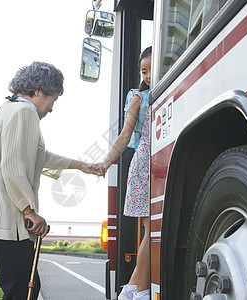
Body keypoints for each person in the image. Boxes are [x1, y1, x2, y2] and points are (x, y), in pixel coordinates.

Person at [0, 61, 103, 300]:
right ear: (40, 89)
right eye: (54, 99)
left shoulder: (6, 109)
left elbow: (39, 155)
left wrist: (81, 165)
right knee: (22, 290)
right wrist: (29, 211)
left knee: (23, 287)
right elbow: (12, 167)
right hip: (3, 222)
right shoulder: (25, 113)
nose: (52, 107)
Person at [97, 46, 152, 300]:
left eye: (153, 69)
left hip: (158, 162)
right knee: (150, 231)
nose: (148, 75)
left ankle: (130, 289)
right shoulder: (138, 98)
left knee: (150, 232)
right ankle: (140, 292)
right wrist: (107, 162)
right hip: (145, 163)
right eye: (144, 70)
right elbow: (125, 135)